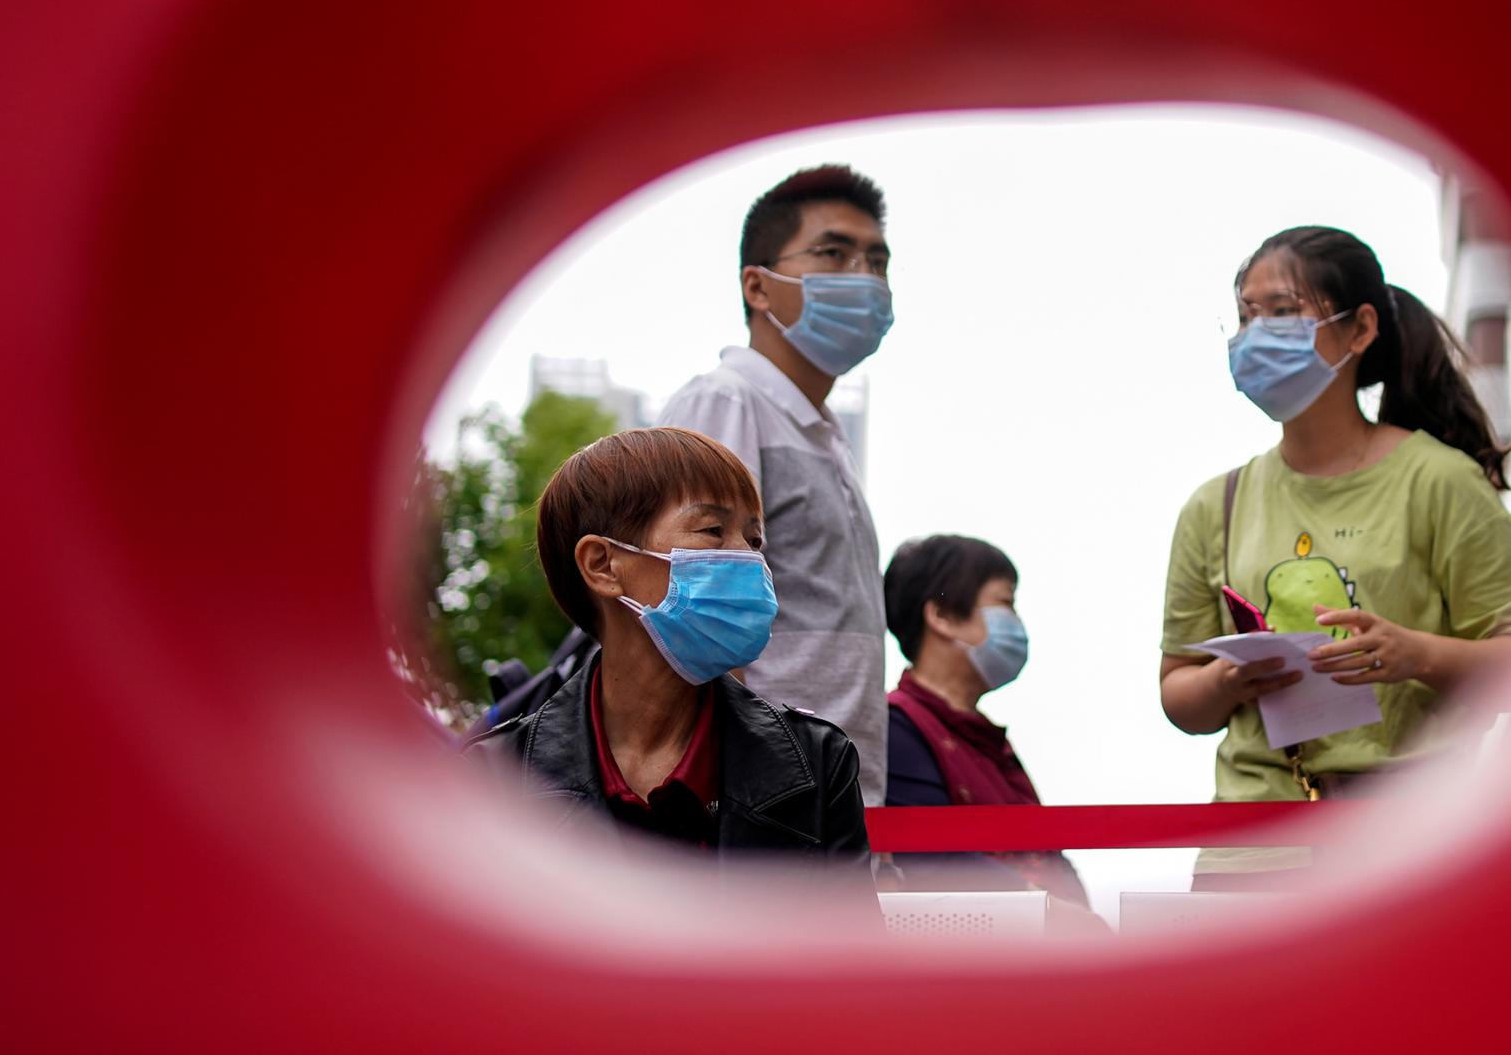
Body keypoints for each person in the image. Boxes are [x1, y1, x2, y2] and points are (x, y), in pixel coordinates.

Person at [1158, 225, 1511, 888]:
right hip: (1251, 858)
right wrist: (1228, 682)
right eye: (1245, 316)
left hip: (1413, 852)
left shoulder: (1441, 482)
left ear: (1360, 328)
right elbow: (1178, 693)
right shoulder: (1213, 505)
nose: (1255, 335)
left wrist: (1413, 654)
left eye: (1282, 311)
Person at [468, 427, 872, 893]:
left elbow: (850, 961)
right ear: (602, 565)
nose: (748, 560)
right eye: (713, 531)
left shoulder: (819, 763)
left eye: (754, 540)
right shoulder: (494, 776)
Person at [654, 166, 893, 806]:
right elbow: (695, 616)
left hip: (836, 801)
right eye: (834, 253)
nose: (864, 278)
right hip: (762, 801)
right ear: (758, 286)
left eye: (877, 260)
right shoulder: (725, 402)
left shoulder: (827, 436)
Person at [881, 534, 1093, 914]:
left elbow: (1048, 854)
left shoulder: (987, 740)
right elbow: (932, 861)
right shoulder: (898, 727)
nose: (1017, 624)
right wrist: (1049, 911)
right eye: (1005, 604)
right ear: (942, 617)